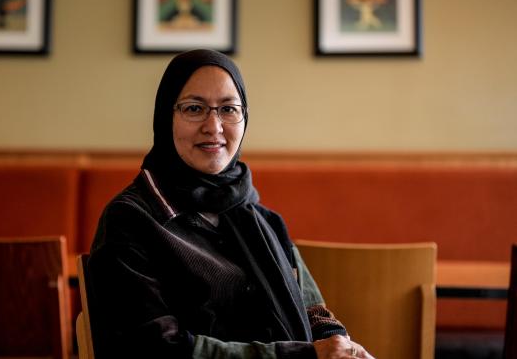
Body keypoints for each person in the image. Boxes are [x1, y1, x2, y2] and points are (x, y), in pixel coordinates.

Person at [89, 49, 374, 359]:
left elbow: (313, 310)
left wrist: (341, 347)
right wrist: (303, 355)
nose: (214, 127)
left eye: (228, 109)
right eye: (194, 108)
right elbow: (153, 347)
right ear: (164, 116)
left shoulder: (262, 219)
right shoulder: (132, 219)